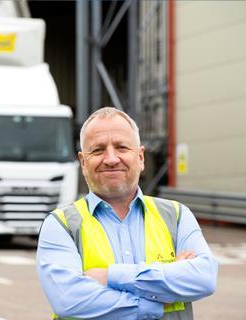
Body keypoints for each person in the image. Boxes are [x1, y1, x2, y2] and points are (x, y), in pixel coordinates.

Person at [37, 107, 218, 320]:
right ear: (83, 162)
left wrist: (110, 276)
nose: (111, 158)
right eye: (98, 150)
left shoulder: (176, 216)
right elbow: (68, 300)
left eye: (122, 147)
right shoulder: (61, 225)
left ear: (140, 157)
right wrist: (159, 294)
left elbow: (204, 279)